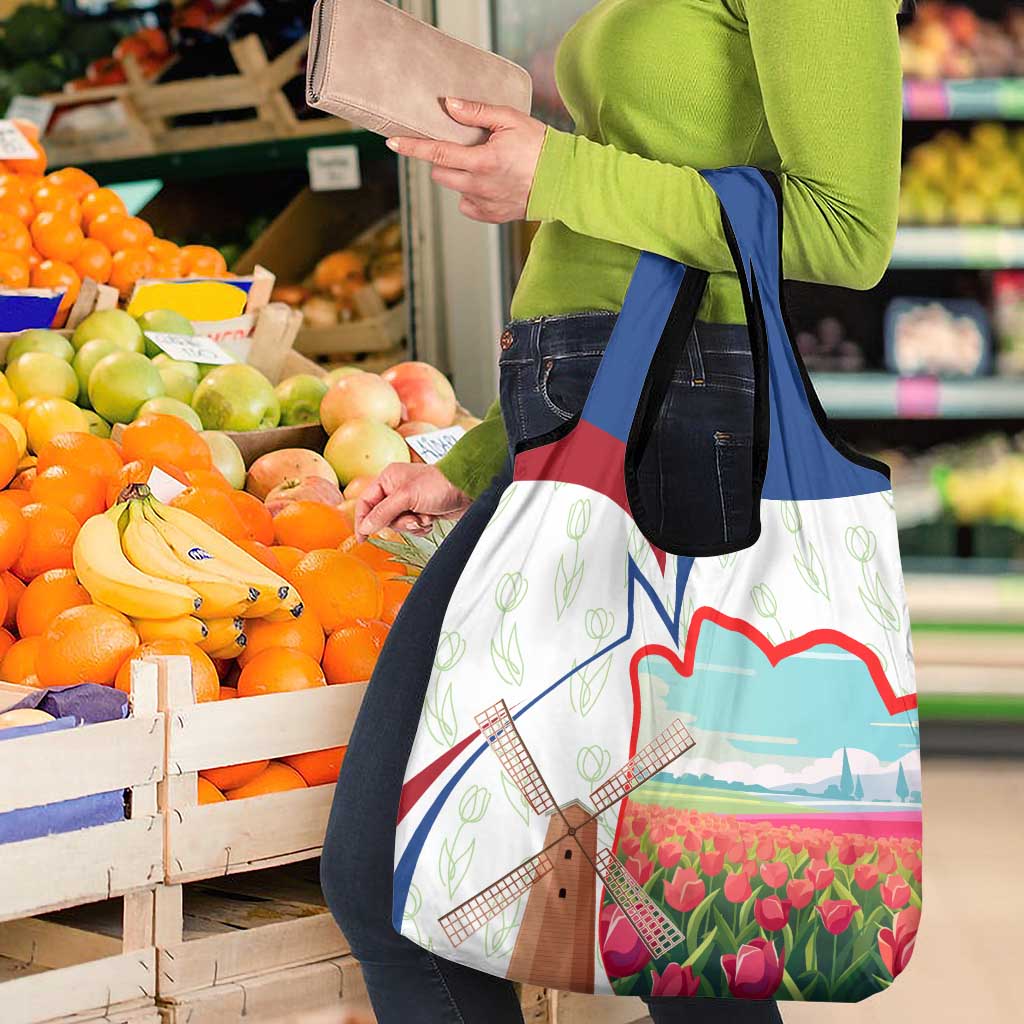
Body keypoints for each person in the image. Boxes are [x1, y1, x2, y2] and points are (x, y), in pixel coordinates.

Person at [321, 2, 905, 1021]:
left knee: (665, 928)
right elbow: (619, 242)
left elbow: (847, 231)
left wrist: (556, 172)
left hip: (675, 438)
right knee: (660, 931)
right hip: (586, 429)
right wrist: (480, 457)